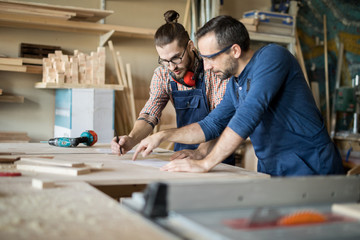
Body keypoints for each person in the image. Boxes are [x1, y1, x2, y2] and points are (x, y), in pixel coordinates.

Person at [132, 15, 345, 176]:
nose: (205, 68)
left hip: (312, 167)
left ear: (234, 51)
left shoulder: (272, 58)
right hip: (272, 169)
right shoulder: (235, 84)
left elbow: (248, 116)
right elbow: (210, 125)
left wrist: (205, 164)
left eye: (210, 58)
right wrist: (163, 136)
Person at [111, 10, 234, 165]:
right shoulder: (163, 74)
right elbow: (150, 114)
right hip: (181, 154)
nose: (171, 67)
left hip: (216, 155)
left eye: (176, 58)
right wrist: (131, 139)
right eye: (164, 60)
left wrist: (200, 152)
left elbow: (220, 122)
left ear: (190, 46)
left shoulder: (214, 70)